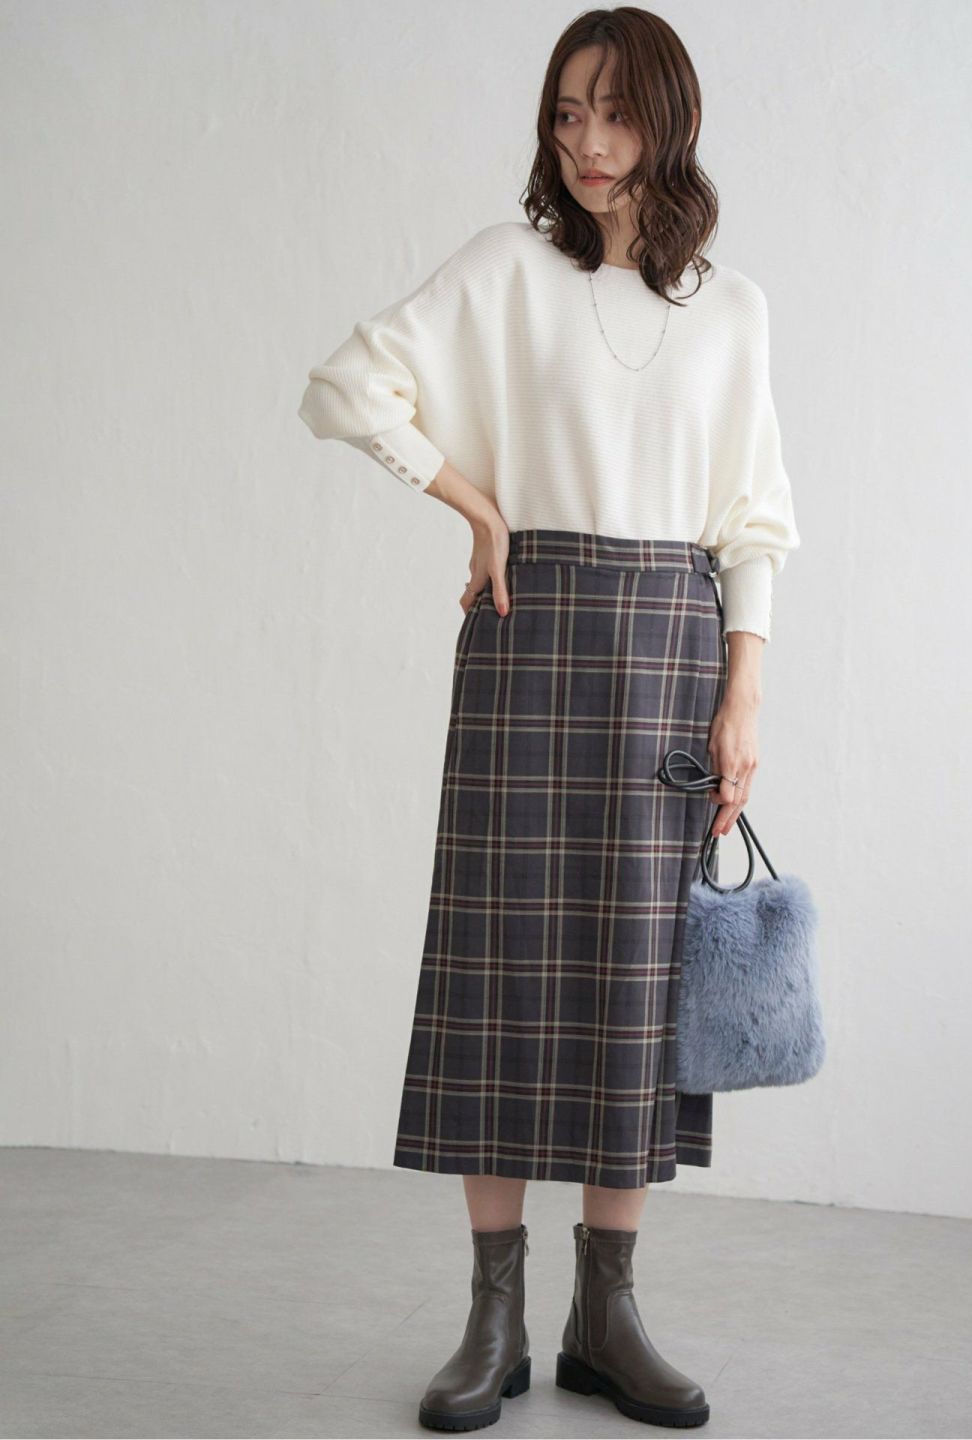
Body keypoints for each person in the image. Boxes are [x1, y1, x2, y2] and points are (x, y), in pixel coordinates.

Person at [297, 7, 800, 1430]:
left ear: (668, 122)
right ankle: (494, 1315)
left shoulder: (733, 309)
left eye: (616, 112)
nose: (589, 141)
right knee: (501, 970)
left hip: (670, 649)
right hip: (530, 640)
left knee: (638, 981)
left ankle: (607, 1315)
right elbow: (345, 387)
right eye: (567, 112)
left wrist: (744, 688)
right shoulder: (505, 270)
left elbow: (753, 519)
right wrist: (474, 505)